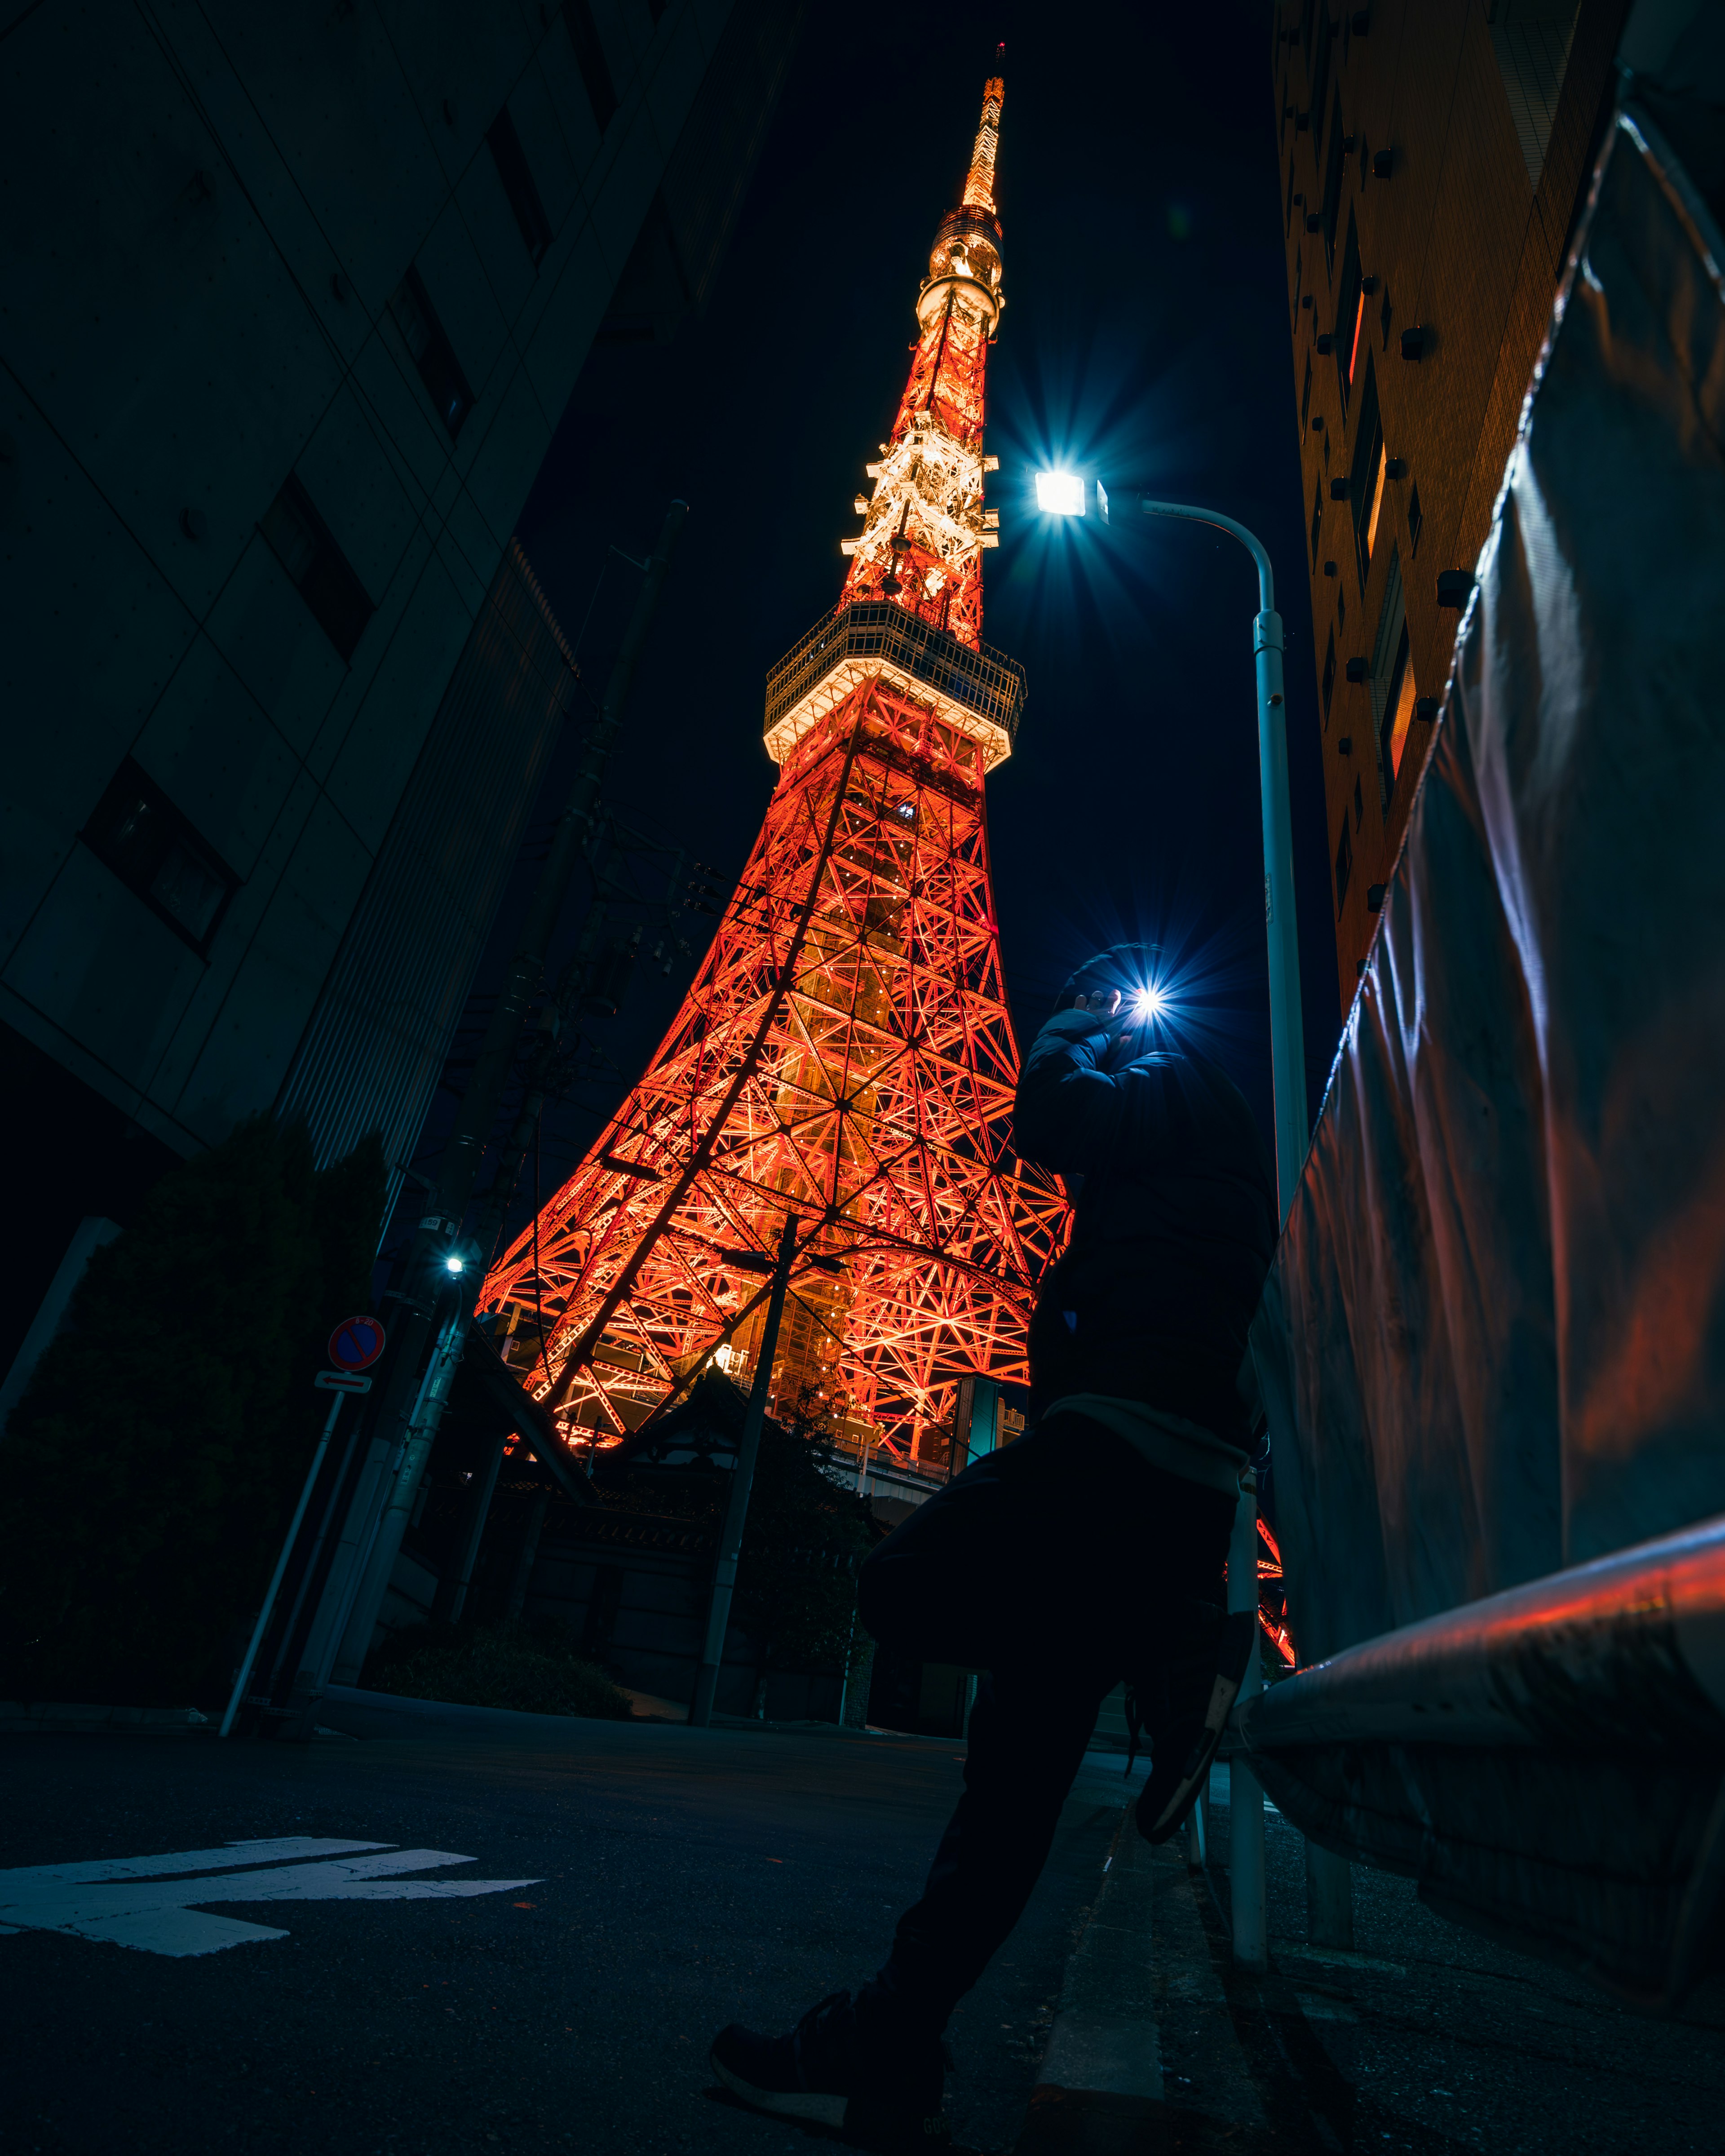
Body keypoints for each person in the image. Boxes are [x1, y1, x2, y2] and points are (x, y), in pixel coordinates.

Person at [709, 944, 1278, 2145]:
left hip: (1119, 1442)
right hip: (1163, 1469)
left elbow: (1051, 1118)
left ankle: (1160, 1638)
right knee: (1009, 1800)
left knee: (902, 1581)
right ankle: (887, 2053)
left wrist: (1066, 1029)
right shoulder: (1198, 1141)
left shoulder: (1172, 1077)